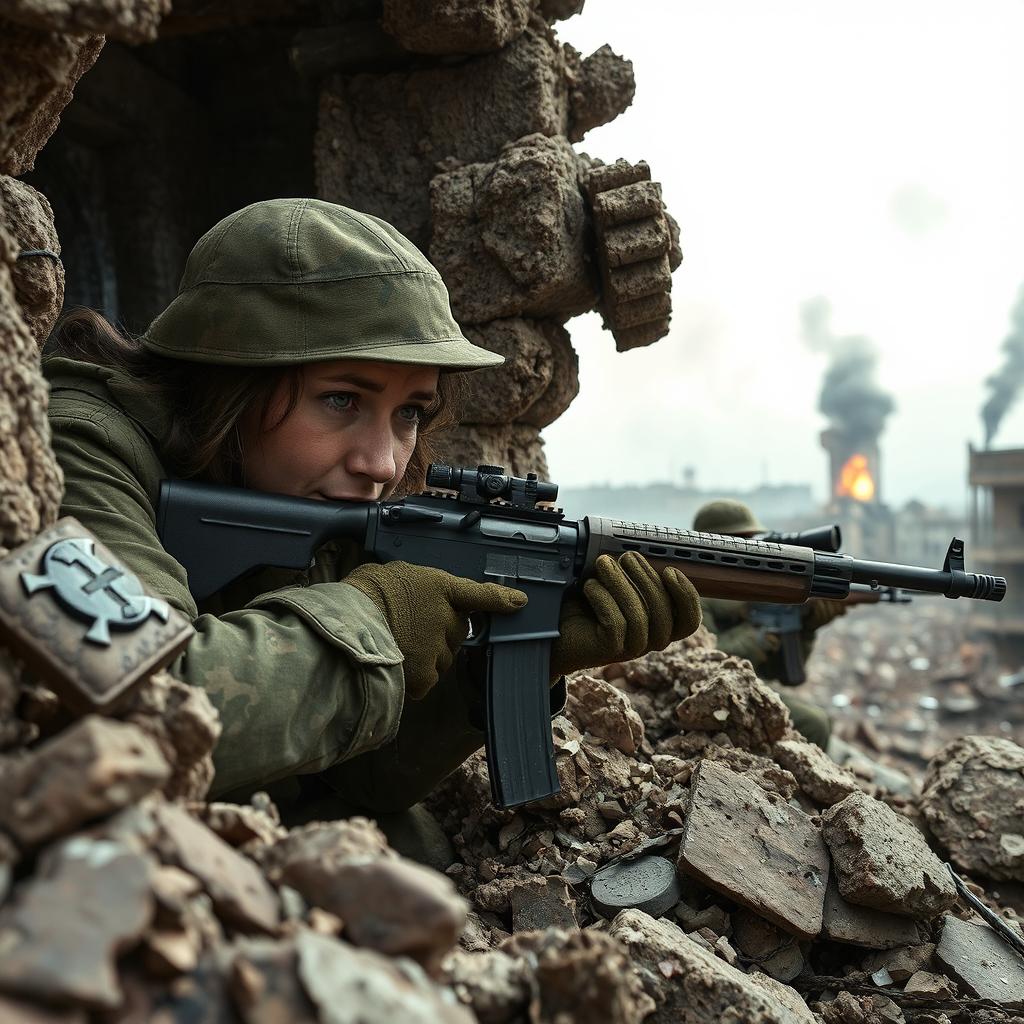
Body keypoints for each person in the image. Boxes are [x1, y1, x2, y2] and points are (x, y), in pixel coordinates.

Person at [43, 197, 702, 834]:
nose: (383, 463)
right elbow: (141, 712)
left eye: (410, 412)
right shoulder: (79, 445)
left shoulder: (304, 497)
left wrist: (498, 669)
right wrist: (375, 619)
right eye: (340, 401)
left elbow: (356, 785)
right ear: (228, 382)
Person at [692, 498, 845, 748]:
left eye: (752, 540)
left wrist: (805, 627)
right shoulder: (697, 591)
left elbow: (783, 673)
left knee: (823, 720)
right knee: (814, 724)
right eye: (741, 540)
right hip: (711, 695)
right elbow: (700, 659)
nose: (751, 547)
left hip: (747, 686)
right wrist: (755, 636)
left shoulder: (751, 587)